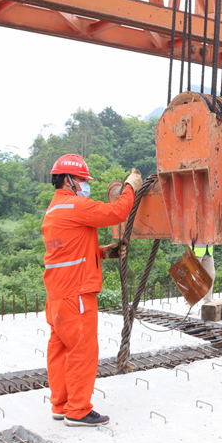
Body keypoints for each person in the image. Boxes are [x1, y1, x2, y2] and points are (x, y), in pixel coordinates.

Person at [42, 154, 142, 427]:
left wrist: (102, 253)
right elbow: (117, 213)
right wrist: (130, 186)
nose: (85, 185)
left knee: (61, 349)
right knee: (82, 350)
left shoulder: (54, 211)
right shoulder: (75, 205)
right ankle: (78, 411)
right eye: (82, 180)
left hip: (57, 295)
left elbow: (67, 252)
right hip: (77, 294)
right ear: (67, 180)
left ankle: (61, 405)